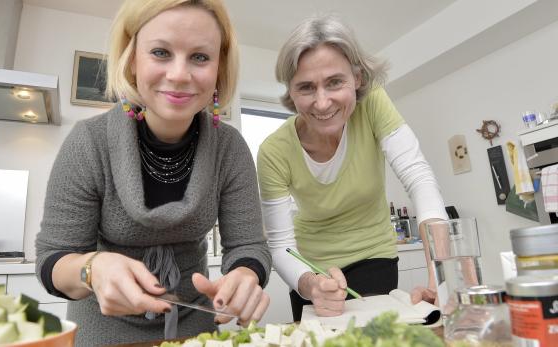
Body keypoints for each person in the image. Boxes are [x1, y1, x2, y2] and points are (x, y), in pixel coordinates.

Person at [35, 1, 271, 345]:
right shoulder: (89, 142)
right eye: (161, 52)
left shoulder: (230, 148)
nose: (179, 74)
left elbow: (249, 245)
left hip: (196, 327)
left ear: (219, 67)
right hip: (102, 328)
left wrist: (246, 274)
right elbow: (53, 259)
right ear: (132, 59)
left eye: (200, 57)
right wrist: (92, 268)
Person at [256, 14, 448, 322]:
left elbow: (419, 177)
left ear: (357, 78)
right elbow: (281, 246)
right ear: (290, 92)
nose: (322, 103)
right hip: (310, 268)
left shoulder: (372, 104)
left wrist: (440, 275)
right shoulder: (273, 152)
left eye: (334, 82)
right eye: (306, 87)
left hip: (374, 255)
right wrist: (310, 285)